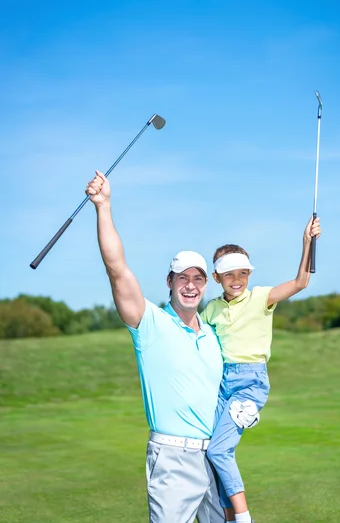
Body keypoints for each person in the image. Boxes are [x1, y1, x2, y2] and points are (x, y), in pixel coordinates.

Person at [85, 170, 254, 523]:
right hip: (172, 459)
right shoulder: (150, 323)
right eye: (183, 278)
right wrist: (104, 207)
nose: (190, 285)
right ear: (170, 281)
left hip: (213, 458)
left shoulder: (212, 334)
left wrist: (249, 405)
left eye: (198, 278)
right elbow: (116, 269)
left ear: (206, 284)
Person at [201, 217, 322, 523]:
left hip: (250, 382)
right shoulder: (212, 308)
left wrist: (307, 242)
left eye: (243, 273)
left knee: (218, 451)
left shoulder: (261, 298)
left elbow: (300, 282)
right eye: (229, 274)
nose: (237, 279)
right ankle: (227, 517)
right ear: (217, 277)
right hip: (222, 383)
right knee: (209, 453)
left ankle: (243, 519)